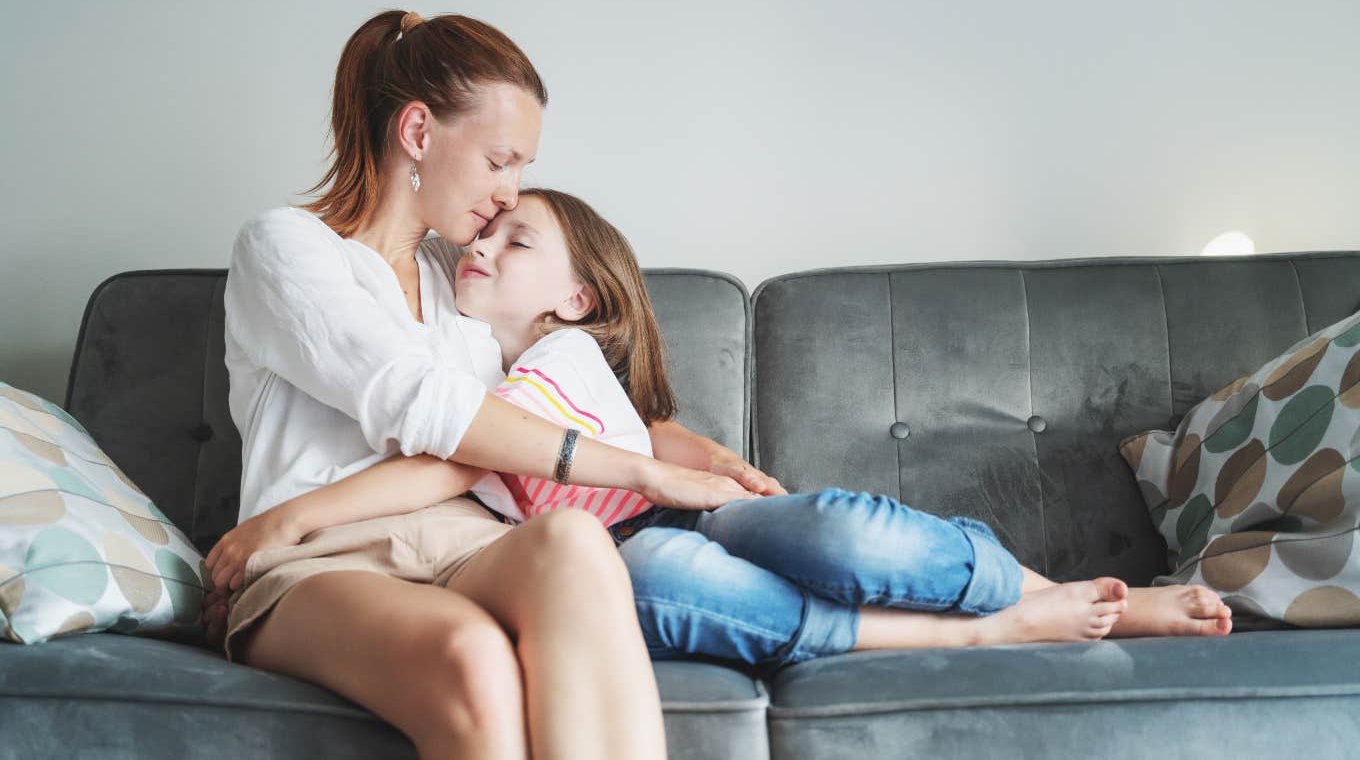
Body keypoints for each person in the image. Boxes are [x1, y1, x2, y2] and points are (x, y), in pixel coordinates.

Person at [284, 187, 1235, 668]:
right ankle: (992, 634)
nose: (479, 244)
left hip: (697, 509)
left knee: (837, 530)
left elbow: (659, 436)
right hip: (603, 553)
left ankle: (1052, 586)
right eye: (478, 238)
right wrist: (292, 521)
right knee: (667, 581)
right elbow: (444, 467)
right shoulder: (455, 368)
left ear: (578, 297)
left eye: (513, 238)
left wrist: (732, 469)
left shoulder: (570, 356)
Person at [201, 11, 772, 760]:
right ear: (417, 133)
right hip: (318, 559)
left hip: (466, 541)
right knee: (474, 657)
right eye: (501, 160)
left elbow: (560, 401)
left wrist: (705, 456)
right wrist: (644, 474)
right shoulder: (286, 249)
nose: (509, 194)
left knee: (571, 537)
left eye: (521, 171)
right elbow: (430, 407)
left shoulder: (466, 276)